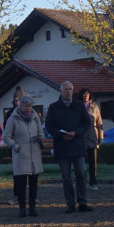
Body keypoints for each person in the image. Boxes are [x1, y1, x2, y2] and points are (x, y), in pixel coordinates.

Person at [45, 81, 93, 213]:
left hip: (77, 144)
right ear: (61, 91)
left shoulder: (79, 105)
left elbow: (86, 122)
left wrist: (76, 132)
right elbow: (49, 125)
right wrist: (60, 135)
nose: (69, 91)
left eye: (71, 89)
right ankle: (70, 203)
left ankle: (82, 202)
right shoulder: (53, 107)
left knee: (81, 174)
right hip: (62, 145)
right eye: (66, 89)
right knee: (66, 177)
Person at [3, 95, 45, 217]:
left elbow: (40, 129)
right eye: (26, 106)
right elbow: (6, 136)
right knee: (21, 184)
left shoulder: (35, 116)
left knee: (34, 183)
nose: (28, 108)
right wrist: (15, 147)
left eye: (30, 106)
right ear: (20, 106)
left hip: (34, 153)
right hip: (21, 153)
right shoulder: (13, 119)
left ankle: (32, 207)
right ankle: (22, 208)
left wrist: (40, 137)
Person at [79, 88, 103, 191]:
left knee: (93, 163)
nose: (86, 96)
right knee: (81, 163)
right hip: (81, 137)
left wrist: (100, 137)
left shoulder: (95, 106)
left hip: (93, 137)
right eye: (84, 94)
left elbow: (99, 122)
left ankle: (93, 182)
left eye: (87, 94)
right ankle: (82, 182)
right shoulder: (78, 106)